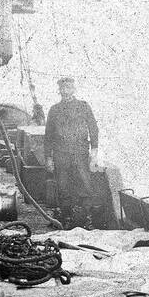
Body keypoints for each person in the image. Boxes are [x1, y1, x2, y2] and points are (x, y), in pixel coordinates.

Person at [44, 76, 100, 220]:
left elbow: (93, 129)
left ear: (74, 89)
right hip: (60, 154)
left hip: (80, 153)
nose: (65, 91)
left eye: (68, 88)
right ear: (59, 90)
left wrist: (94, 152)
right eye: (62, 88)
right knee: (63, 186)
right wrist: (48, 158)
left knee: (85, 184)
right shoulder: (54, 110)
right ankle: (66, 217)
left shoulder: (84, 106)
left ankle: (87, 217)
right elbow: (48, 136)